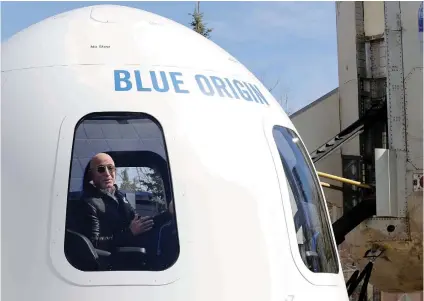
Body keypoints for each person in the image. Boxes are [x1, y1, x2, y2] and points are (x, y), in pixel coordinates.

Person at [77, 152, 154, 252]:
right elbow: (93, 243)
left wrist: (168, 214)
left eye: (110, 168)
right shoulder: (88, 203)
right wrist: (130, 233)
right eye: (101, 169)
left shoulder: (119, 196)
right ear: (92, 175)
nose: (107, 173)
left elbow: (141, 224)